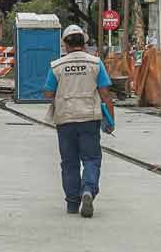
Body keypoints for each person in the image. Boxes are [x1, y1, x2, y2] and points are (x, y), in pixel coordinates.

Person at [43, 24, 115, 219]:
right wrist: (111, 120)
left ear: (65, 44)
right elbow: (106, 94)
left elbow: (48, 92)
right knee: (91, 158)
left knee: (69, 162)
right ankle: (88, 190)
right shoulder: (96, 63)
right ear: (84, 43)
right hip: (90, 119)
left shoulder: (56, 66)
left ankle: (73, 203)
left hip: (65, 120)